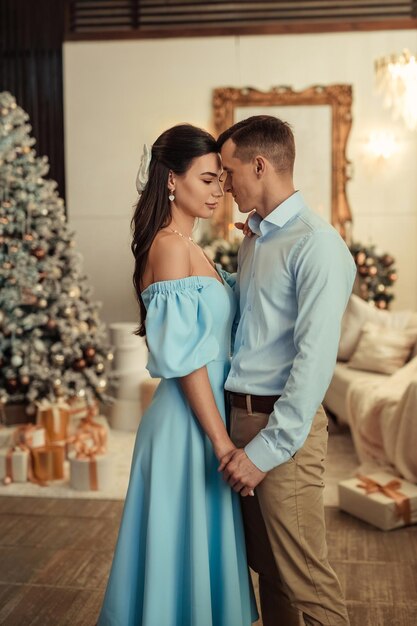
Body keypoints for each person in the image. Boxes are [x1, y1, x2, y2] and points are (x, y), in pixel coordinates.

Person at [98, 124, 257, 626]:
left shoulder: (191, 245)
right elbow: (187, 360)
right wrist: (222, 445)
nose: (219, 191)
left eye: (220, 181)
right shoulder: (169, 247)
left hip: (204, 420)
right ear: (171, 179)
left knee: (196, 554)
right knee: (178, 557)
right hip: (188, 427)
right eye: (208, 179)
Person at [217, 115, 356, 626]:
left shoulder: (316, 244)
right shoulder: (254, 238)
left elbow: (313, 364)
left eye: (230, 172)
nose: (226, 184)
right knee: (273, 575)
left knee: (307, 582)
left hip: (283, 433)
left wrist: (265, 451)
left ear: (260, 165)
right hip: (243, 419)